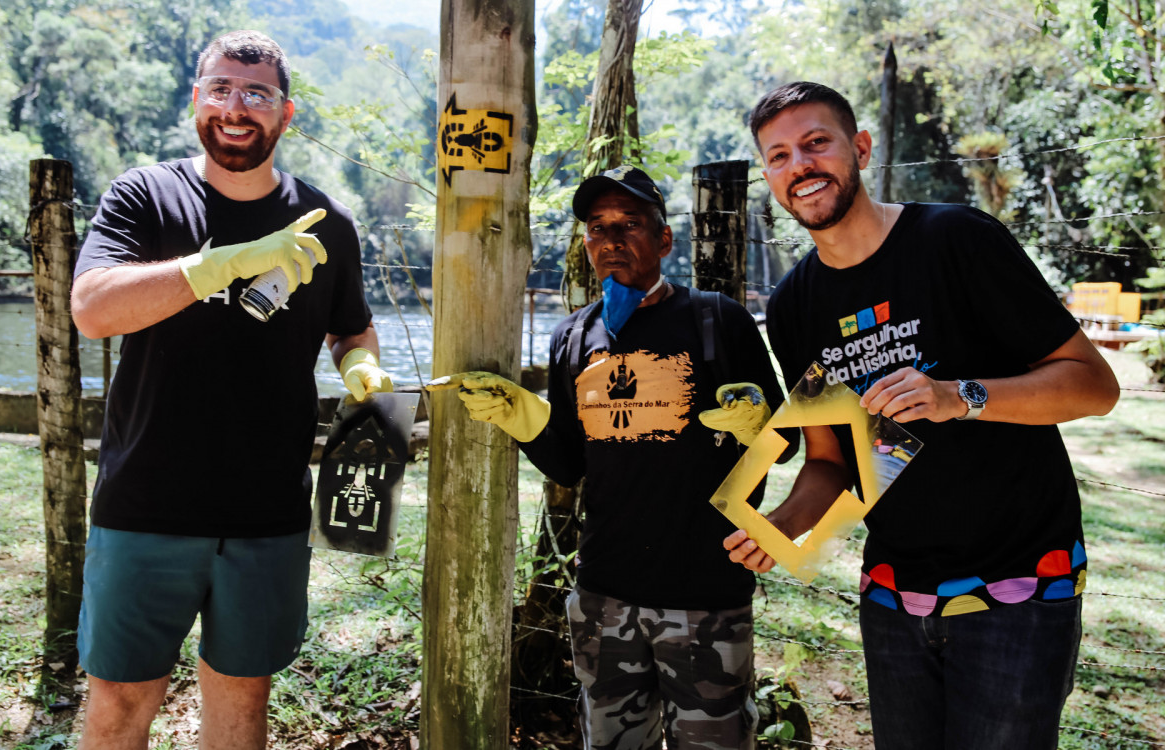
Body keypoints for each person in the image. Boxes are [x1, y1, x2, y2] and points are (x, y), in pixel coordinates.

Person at [723, 81, 1120, 749]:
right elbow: (828, 460)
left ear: (862, 148)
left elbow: (1094, 386)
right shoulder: (794, 304)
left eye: (816, 143)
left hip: (1019, 591)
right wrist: (780, 528)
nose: (800, 167)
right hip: (893, 598)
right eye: (779, 155)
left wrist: (956, 396)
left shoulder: (955, 240)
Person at [70, 30, 391, 750]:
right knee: (120, 704)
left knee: (244, 703)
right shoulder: (144, 197)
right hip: (144, 506)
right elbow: (92, 310)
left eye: (257, 93)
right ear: (196, 99)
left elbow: (351, 329)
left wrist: (360, 369)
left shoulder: (327, 223)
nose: (235, 107)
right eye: (220, 88)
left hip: (266, 514)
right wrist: (219, 266)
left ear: (287, 112)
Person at [429, 165, 793, 750]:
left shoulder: (716, 320)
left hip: (705, 595)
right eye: (597, 228)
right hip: (604, 595)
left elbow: (785, 441)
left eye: (630, 224)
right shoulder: (574, 336)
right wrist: (518, 415)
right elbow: (569, 463)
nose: (611, 239)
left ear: (664, 239)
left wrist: (757, 422)